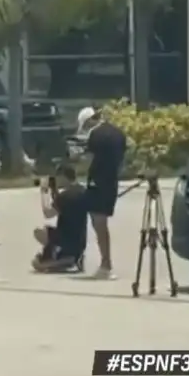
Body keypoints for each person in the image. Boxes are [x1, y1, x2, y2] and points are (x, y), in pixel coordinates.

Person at [76, 106, 127, 279]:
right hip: (111, 183)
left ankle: (106, 264)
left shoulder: (94, 135)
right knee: (101, 223)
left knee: (99, 224)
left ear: (90, 121)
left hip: (97, 183)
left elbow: (88, 160)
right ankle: (105, 263)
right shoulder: (118, 133)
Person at [32, 164, 88, 273]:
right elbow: (64, 206)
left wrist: (44, 192)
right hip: (80, 240)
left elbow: (48, 213)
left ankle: (66, 260)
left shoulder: (65, 196)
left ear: (63, 177)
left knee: (39, 233)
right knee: (47, 233)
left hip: (65, 239)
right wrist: (55, 191)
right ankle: (69, 258)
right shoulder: (82, 190)